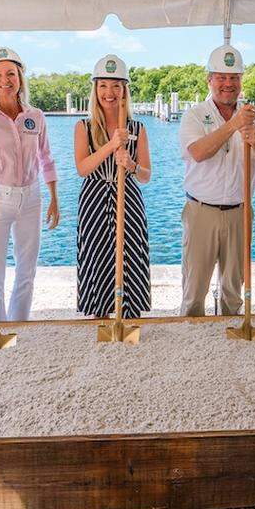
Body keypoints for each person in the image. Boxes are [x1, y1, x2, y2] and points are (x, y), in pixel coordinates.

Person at [178, 45, 255, 316]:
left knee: (234, 290)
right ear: (209, 80)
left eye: (234, 78)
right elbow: (197, 152)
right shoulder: (194, 115)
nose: (228, 84)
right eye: (221, 77)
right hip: (201, 212)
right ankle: (192, 341)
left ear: (241, 81)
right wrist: (232, 126)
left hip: (240, 211)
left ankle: (232, 344)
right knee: (194, 289)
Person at [0, 47, 60, 322]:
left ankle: (21, 325)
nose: (4, 80)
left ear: (20, 78)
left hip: (31, 197)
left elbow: (46, 158)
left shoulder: (36, 116)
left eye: (11, 73)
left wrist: (54, 197)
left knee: (27, 270)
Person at [73, 54, 152, 318]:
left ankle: (128, 315)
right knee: (97, 255)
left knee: (128, 254)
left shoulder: (138, 128)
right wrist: (111, 145)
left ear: (124, 91)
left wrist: (130, 164)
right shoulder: (83, 127)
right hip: (95, 198)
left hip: (127, 196)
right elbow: (83, 168)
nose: (110, 92)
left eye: (116, 86)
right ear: (95, 89)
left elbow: (146, 175)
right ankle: (100, 314)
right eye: (104, 85)